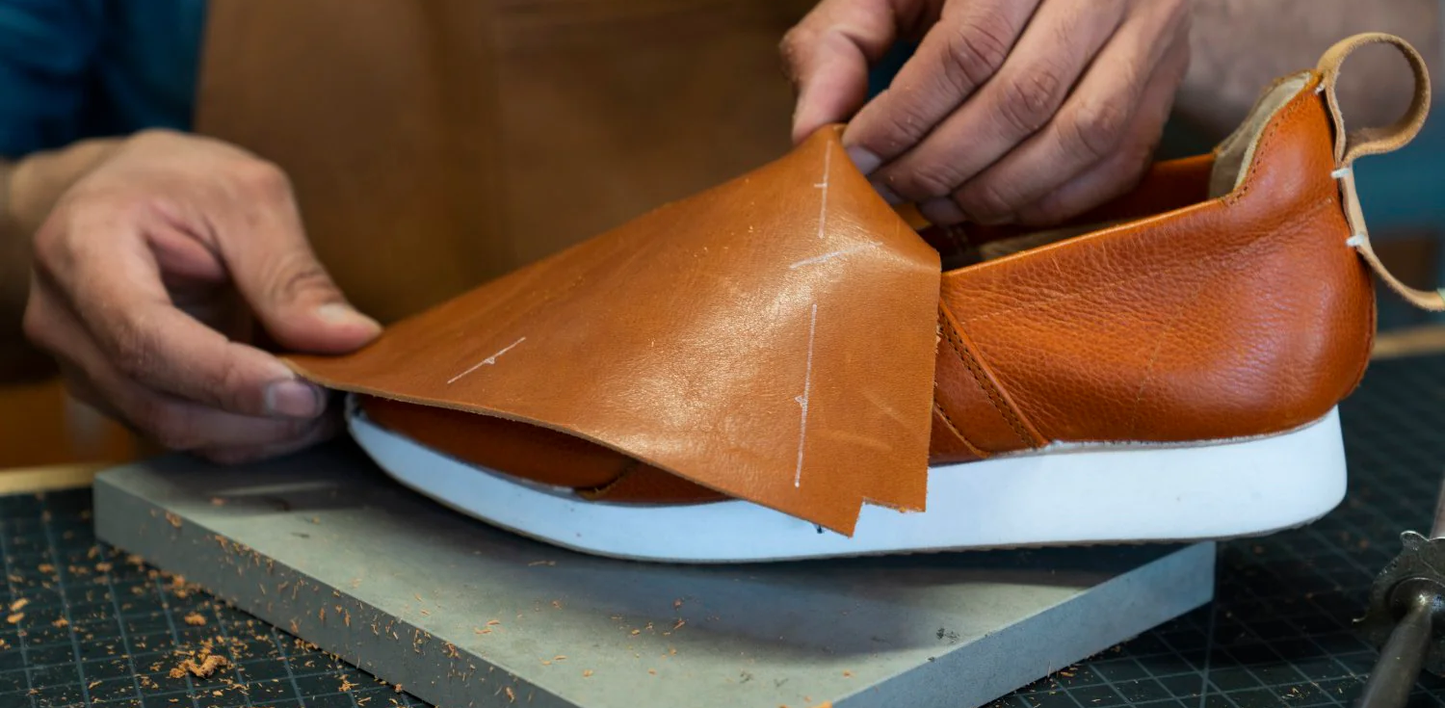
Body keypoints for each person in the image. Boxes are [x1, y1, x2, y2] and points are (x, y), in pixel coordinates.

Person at [0, 0, 1439, 464]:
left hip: (869, 397)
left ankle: (1192, 306)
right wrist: (44, 214)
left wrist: (1224, 15)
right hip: (295, 435)